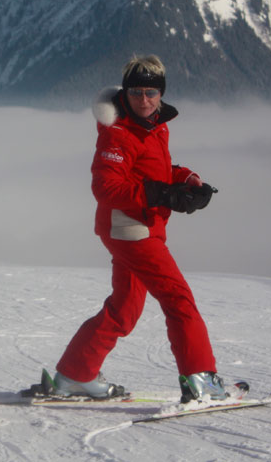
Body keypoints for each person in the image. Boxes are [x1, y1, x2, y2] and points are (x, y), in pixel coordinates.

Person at [49, 55, 225, 403]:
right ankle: (201, 381)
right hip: (132, 230)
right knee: (178, 300)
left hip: (143, 226)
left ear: (161, 94)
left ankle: (74, 375)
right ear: (125, 93)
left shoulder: (156, 126)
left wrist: (186, 180)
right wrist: (162, 194)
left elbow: (152, 169)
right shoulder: (117, 134)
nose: (143, 100)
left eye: (151, 92)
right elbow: (106, 188)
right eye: (135, 92)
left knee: (124, 309)